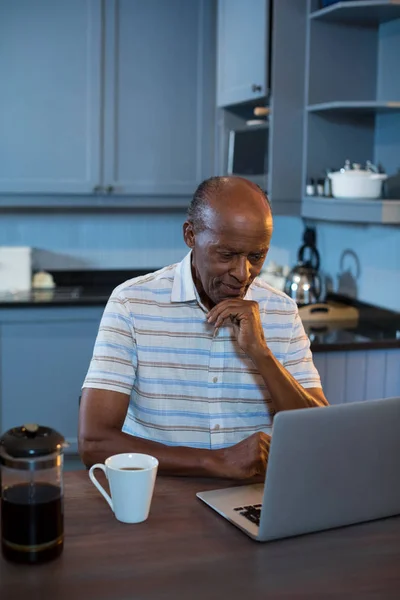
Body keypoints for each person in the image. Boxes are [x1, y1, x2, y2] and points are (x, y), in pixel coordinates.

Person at [79, 176, 328, 480]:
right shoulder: (132, 303)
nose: (242, 273)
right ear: (190, 235)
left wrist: (261, 354)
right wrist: (216, 461)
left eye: (256, 256)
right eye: (227, 255)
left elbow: (319, 437)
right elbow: (94, 442)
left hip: (258, 495)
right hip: (159, 493)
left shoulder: (282, 311)